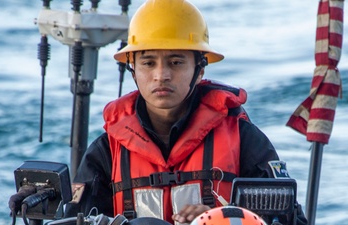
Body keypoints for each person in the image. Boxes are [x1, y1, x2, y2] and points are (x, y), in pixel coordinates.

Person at [65, 0, 307, 224]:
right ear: (133, 70)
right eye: (148, 63)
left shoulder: (244, 140)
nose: (161, 75)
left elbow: (289, 220)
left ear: (200, 70)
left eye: (176, 62)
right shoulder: (107, 151)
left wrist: (221, 218)